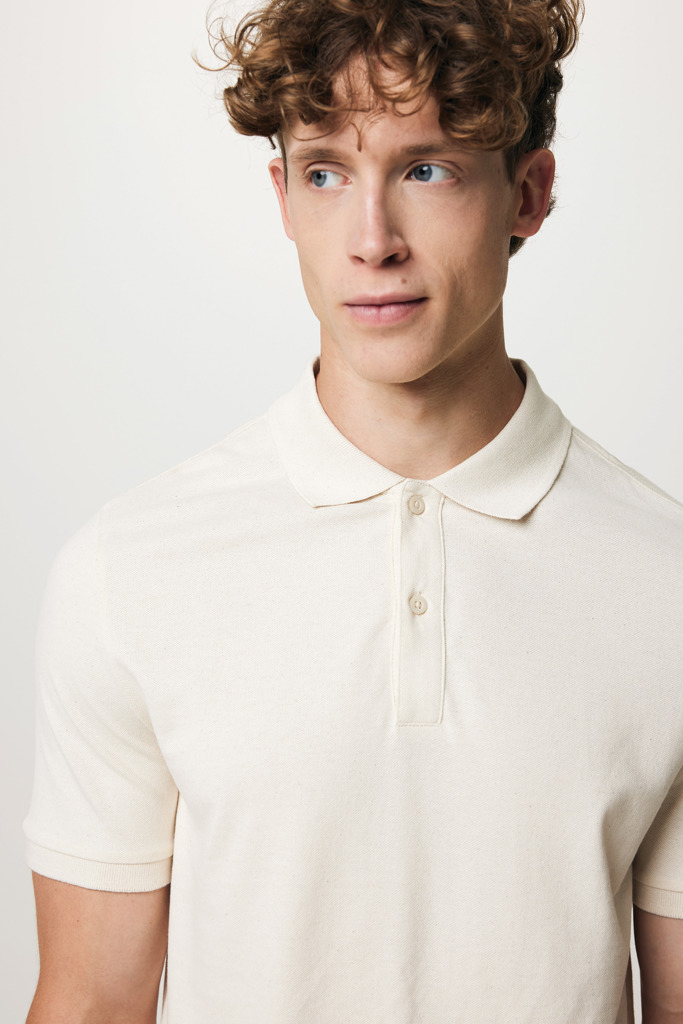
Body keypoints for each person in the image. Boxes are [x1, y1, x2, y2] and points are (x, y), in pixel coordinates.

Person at [23, 0, 683, 1021]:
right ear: (283, 197)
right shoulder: (128, 571)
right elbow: (91, 1003)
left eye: (427, 169)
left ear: (528, 192)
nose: (371, 241)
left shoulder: (662, 581)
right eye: (326, 173)